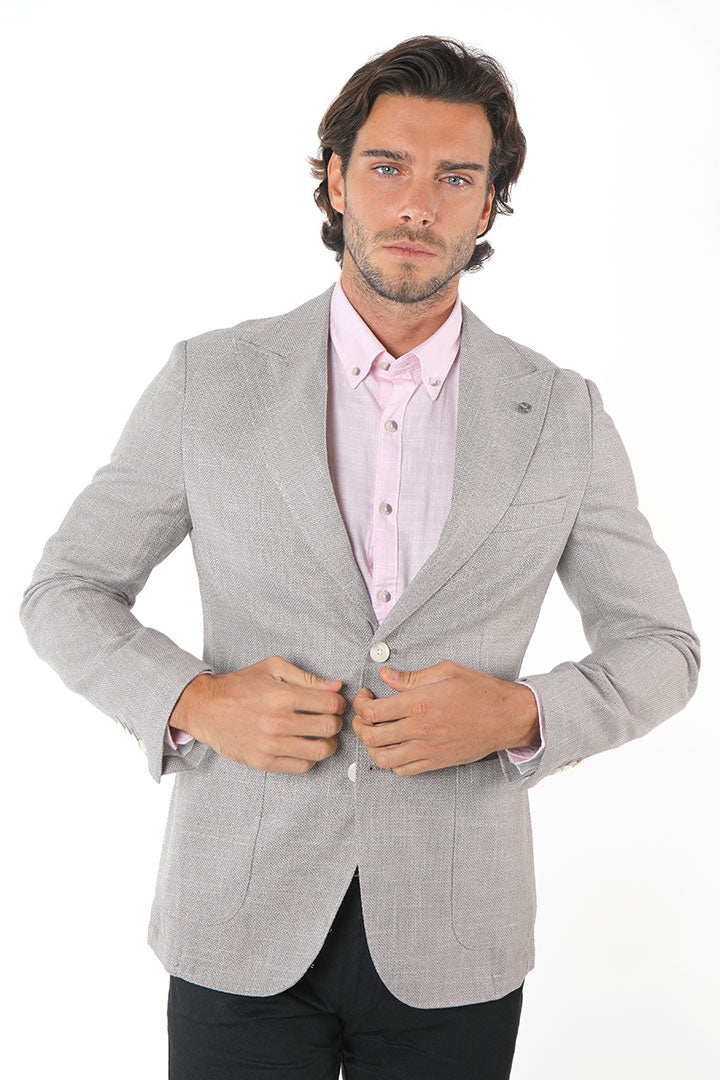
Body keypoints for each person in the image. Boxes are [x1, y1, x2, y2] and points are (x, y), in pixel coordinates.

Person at [19, 33, 700, 1080]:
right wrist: (195, 700)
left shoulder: (562, 415)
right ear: (336, 181)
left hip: (456, 936)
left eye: (455, 177)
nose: (417, 204)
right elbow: (67, 589)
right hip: (237, 915)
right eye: (388, 167)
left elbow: (662, 647)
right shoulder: (211, 381)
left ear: (488, 205)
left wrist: (521, 714)